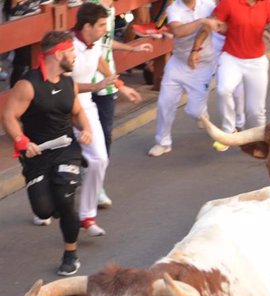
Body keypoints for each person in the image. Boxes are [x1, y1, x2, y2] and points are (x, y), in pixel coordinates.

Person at [1, 31, 92, 275]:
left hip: (66, 148)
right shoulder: (28, 85)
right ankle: (61, 198)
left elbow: (77, 111)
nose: (75, 56)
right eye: (72, 51)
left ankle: (70, 254)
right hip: (37, 154)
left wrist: (87, 128)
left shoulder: (68, 83)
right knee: (43, 210)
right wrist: (21, 140)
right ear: (59, 53)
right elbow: (9, 115)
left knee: (65, 199)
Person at [72, 2, 140, 235]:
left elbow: (101, 60)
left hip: (85, 106)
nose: (105, 29)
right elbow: (62, 85)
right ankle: (44, 206)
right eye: (101, 25)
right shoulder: (67, 46)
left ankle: (87, 216)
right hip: (60, 109)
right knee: (53, 163)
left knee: (100, 158)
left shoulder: (95, 41)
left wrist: (121, 86)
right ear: (87, 26)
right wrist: (96, 85)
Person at [191, 0, 270, 148]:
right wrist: (195, 50)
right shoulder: (229, 3)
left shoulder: (266, 4)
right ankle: (229, 131)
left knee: (255, 110)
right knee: (224, 90)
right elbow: (208, 26)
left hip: (256, 62)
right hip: (231, 58)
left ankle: (259, 140)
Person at [91, 0, 151, 206]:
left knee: (105, 134)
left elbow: (105, 43)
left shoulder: (111, 9)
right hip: (89, 84)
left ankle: (96, 184)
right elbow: (94, 53)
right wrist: (120, 84)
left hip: (107, 85)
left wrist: (132, 48)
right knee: (84, 133)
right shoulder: (91, 8)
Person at [147, 0, 221, 157]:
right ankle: (163, 142)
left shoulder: (209, 4)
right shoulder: (174, 8)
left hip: (203, 65)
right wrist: (202, 20)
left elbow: (217, 23)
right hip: (178, 63)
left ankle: (202, 113)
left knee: (195, 111)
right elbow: (178, 31)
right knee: (165, 102)